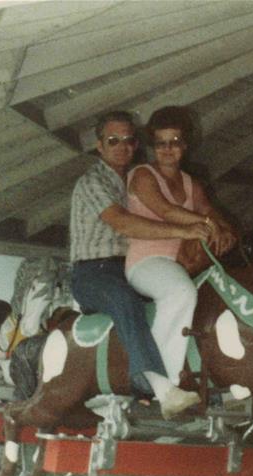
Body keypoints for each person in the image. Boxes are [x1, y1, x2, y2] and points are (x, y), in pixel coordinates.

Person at [70, 110, 207, 419]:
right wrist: (183, 230)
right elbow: (123, 223)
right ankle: (157, 388)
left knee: (173, 300)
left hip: (122, 269)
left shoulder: (131, 179)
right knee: (125, 300)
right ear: (99, 145)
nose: (122, 147)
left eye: (129, 141)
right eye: (113, 140)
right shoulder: (93, 181)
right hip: (92, 273)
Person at [125, 106, 236, 386]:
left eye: (174, 142)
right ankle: (158, 380)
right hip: (147, 263)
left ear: (185, 145)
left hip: (183, 264)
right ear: (152, 146)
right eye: (160, 143)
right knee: (181, 292)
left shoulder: (190, 183)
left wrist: (224, 229)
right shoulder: (142, 175)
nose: (167, 149)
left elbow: (210, 210)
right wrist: (207, 223)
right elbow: (166, 210)